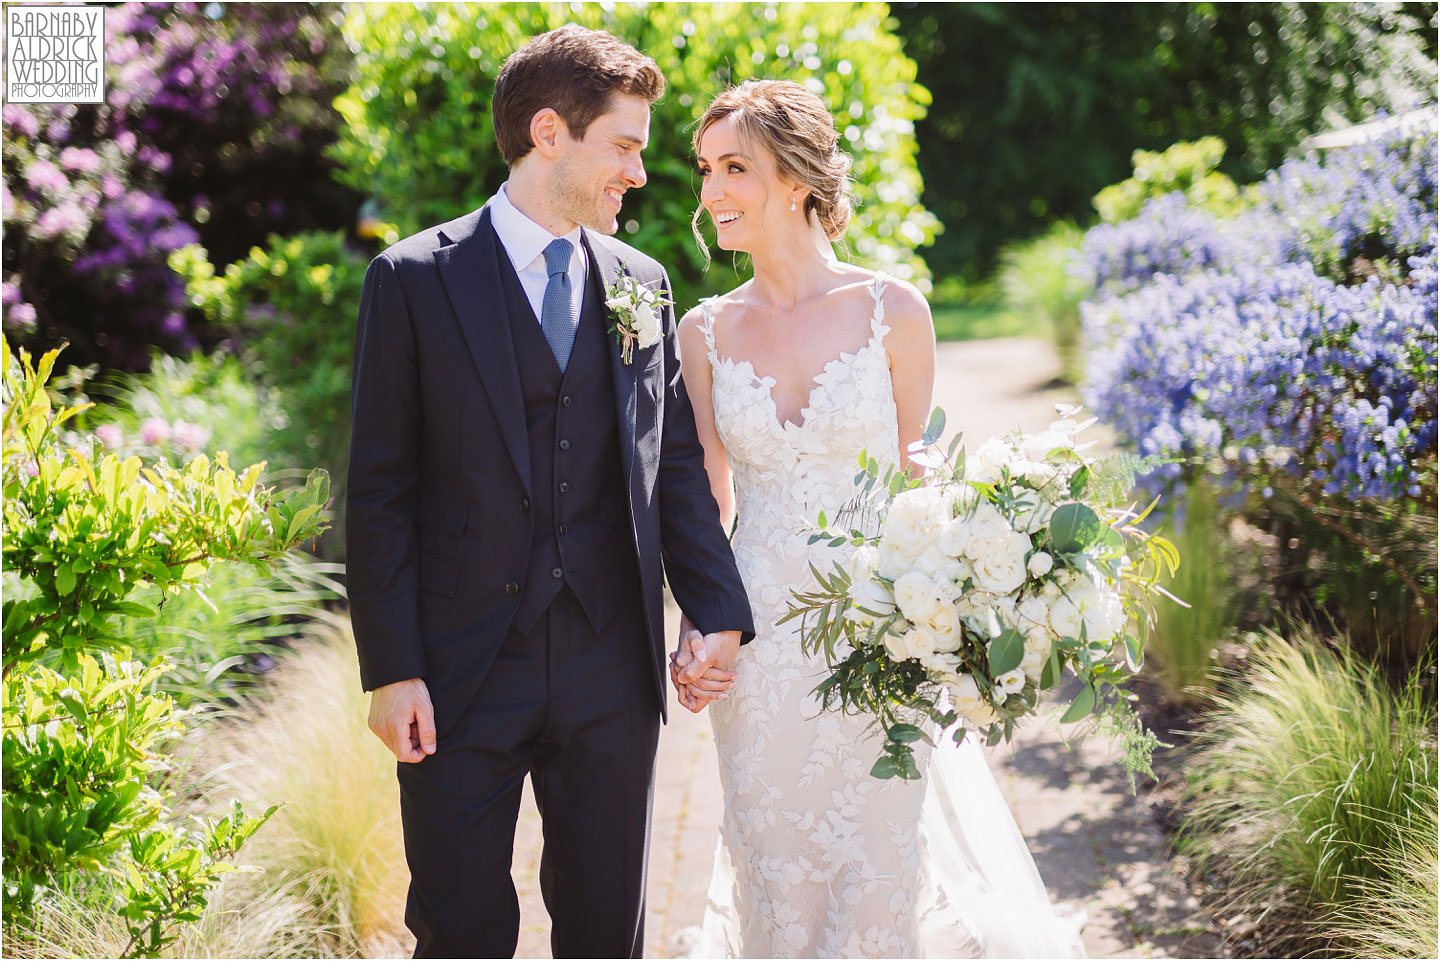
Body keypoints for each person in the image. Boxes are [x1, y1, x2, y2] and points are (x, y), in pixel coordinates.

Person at [345, 27, 754, 959]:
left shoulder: (640, 285)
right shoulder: (412, 280)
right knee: (460, 928)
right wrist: (391, 666)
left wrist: (717, 609)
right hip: (456, 671)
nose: (640, 174)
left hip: (610, 664)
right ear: (548, 133)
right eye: (624, 145)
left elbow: (674, 465)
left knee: (609, 928)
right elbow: (377, 491)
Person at [670, 79, 1086, 958]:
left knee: (876, 861)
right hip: (761, 640)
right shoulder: (702, 332)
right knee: (773, 863)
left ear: (797, 180)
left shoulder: (891, 311)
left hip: (880, 631)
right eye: (706, 169)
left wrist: (961, 602)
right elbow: (708, 496)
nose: (711, 192)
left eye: (734, 167)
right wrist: (700, 621)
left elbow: (919, 478)